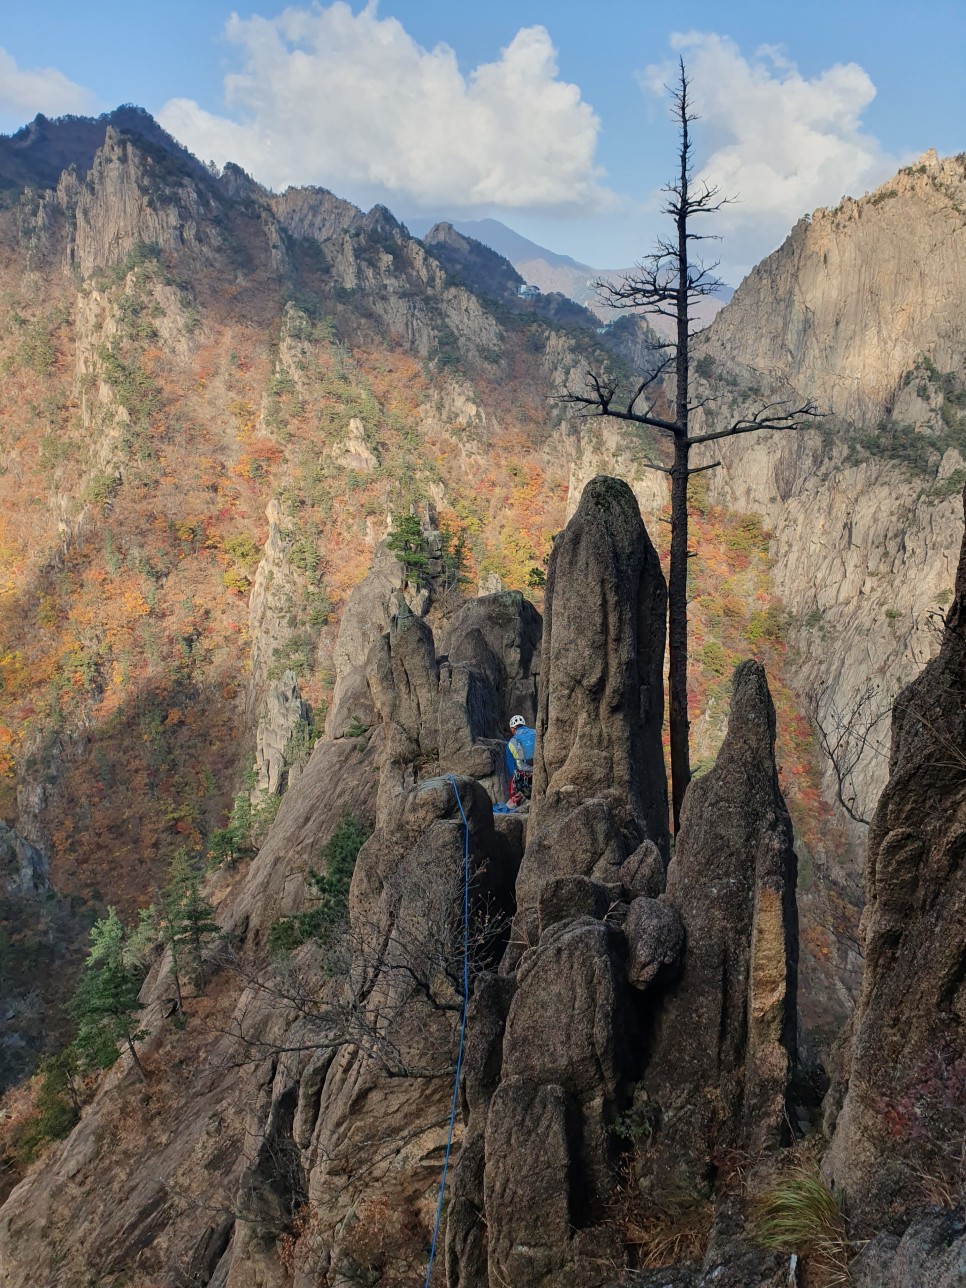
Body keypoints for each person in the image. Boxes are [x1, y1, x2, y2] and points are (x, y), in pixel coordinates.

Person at [505, 714, 535, 808]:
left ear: (513, 729)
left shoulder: (512, 741)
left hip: (525, 774)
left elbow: (511, 767)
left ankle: (516, 802)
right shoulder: (536, 732)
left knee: (512, 783)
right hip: (540, 768)